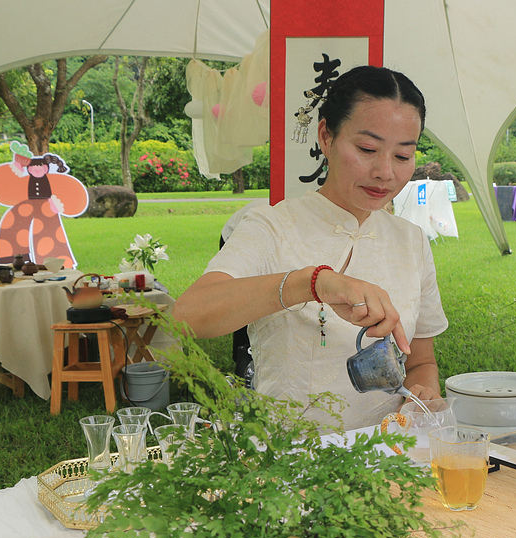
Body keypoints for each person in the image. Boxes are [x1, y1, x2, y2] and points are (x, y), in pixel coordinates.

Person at [174, 65, 448, 430]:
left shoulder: (410, 240)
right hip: (293, 462)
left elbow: (421, 362)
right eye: (367, 148)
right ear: (326, 137)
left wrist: (422, 393)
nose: (385, 171)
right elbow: (187, 316)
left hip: (387, 460)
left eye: (402, 156)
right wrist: (312, 283)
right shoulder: (274, 226)